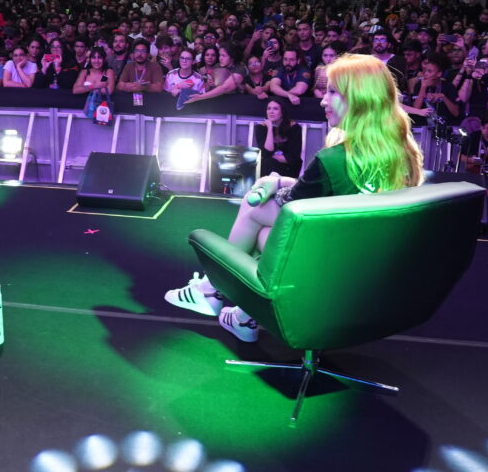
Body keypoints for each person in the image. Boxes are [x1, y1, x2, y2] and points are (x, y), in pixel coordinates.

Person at [165, 54, 424, 342]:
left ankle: (212, 290)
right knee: (265, 230)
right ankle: (243, 316)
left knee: (255, 209)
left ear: (359, 99)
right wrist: (281, 181)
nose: (323, 101)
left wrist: (270, 185)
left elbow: (290, 210)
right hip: (371, 275)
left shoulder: (334, 160)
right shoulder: (404, 153)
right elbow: (325, 197)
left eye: (332, 92)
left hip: (328, 275)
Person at [255, 98, 303, 177]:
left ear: (282, 111)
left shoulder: (294, 128)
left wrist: (272, 156)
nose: (271, 112)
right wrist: (270, 128)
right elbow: (266, 152)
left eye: (275, 109)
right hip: (268, 165)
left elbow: (294, 157)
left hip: (288, 167)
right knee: (267, 162)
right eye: (269, 108)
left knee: (268, 162)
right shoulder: (261, 127)